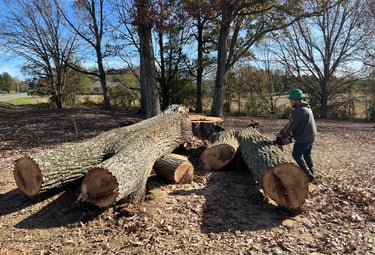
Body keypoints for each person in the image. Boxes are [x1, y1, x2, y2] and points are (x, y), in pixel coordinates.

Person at [278, 89, 317, 182]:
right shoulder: (307, 108)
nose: (290, 102)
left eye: (291, 100)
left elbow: (291, 124)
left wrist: (282, 133)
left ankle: (308, 175)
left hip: (303, 139)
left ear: (297, 100)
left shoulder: (299, 110)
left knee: (296, 155)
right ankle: (311, 173)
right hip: (311, 137)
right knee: (307, 155)